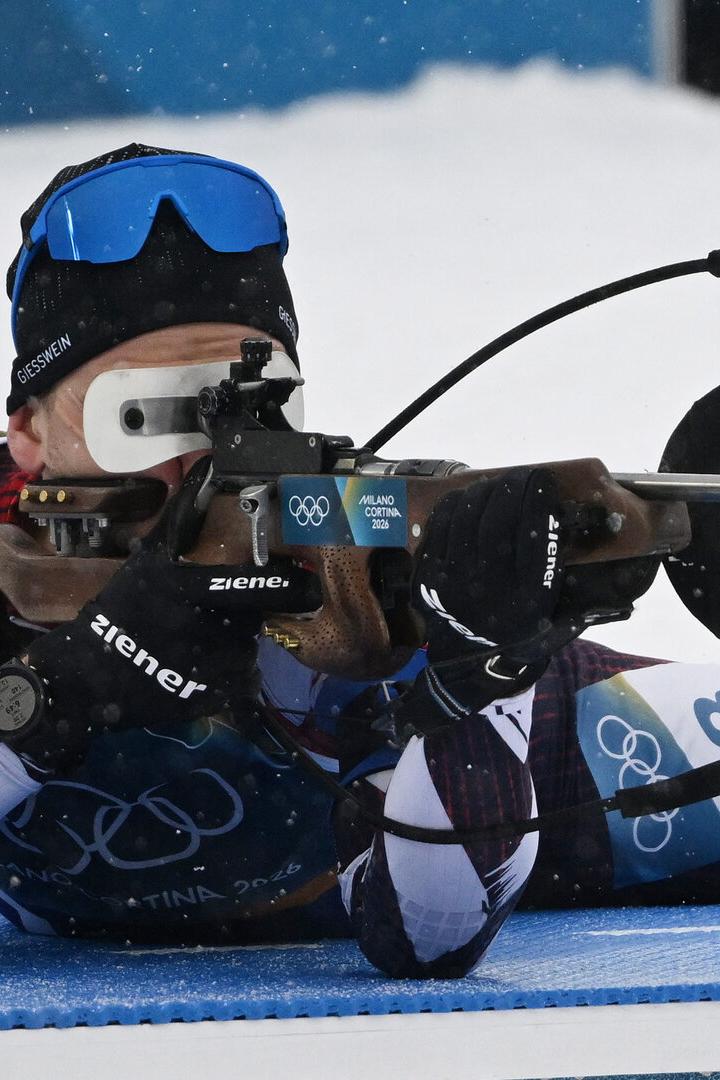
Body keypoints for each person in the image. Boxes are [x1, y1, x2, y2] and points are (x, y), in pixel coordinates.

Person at [0, 144, 717, 980]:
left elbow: (428, 934)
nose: (206, 461)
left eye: (254, 410)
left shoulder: (342, 553)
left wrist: (478, 673)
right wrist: (68, 691)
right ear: (28, 432)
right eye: (143, 417)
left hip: (548, 761)